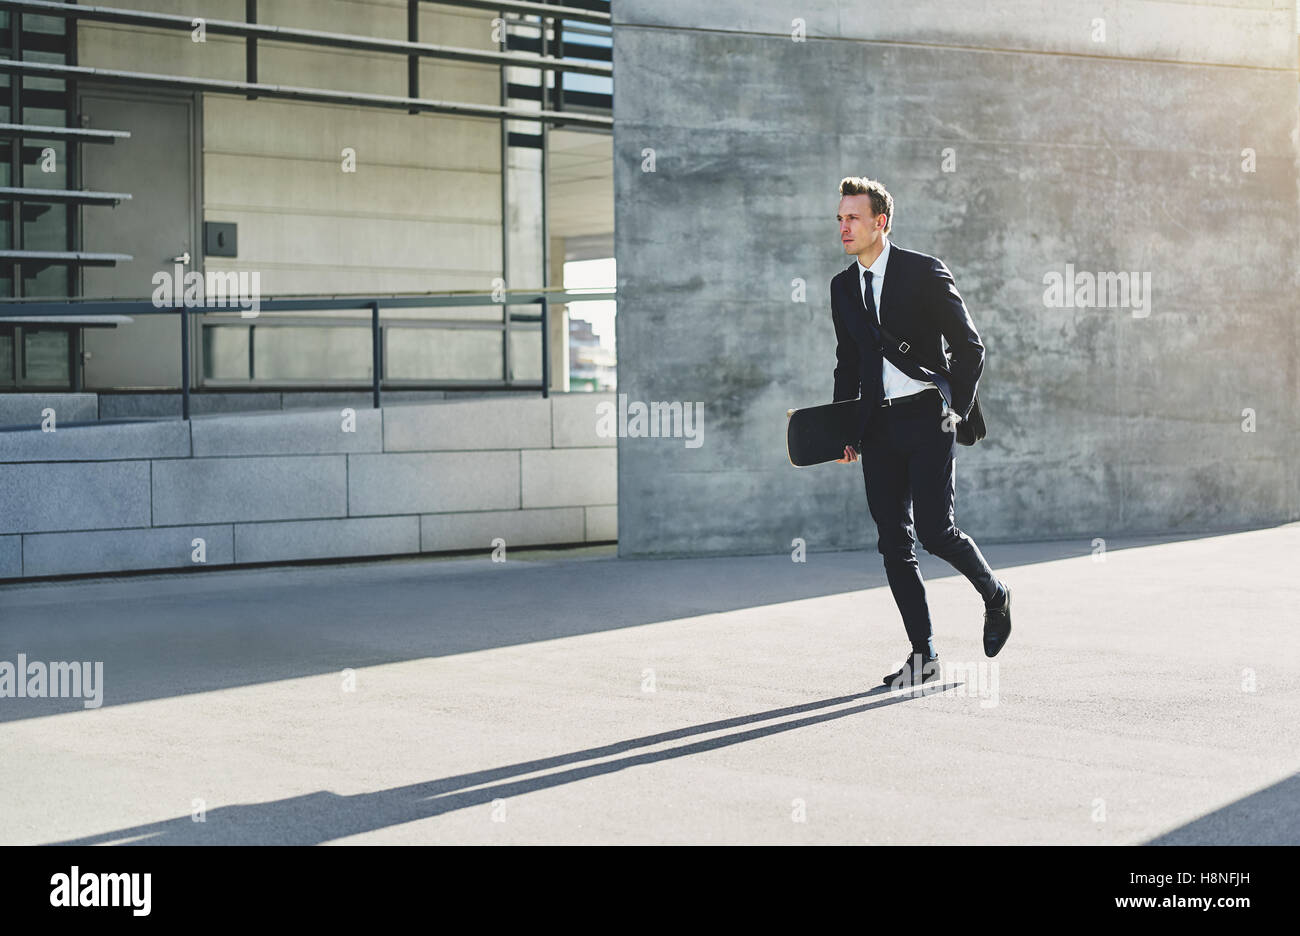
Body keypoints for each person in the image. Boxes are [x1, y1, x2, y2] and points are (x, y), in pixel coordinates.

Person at [830, 176, 1011, 689]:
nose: (844, 227)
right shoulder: (842, 287)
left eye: (853, 218)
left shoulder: (924, 271)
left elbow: (971, 348)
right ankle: (924, 653)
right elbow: (848, 362)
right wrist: (846, 428)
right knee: (893, 542)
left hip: (929, 417)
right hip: (878, 425)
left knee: (936, 532)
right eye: (840, 218)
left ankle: (995, 593)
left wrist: (958, 408)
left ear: (879, 222)